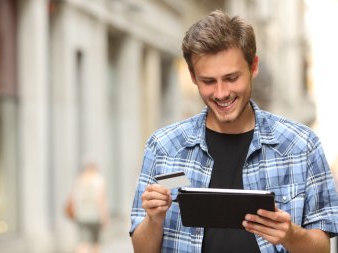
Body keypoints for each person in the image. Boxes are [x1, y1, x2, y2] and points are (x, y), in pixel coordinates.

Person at [129, 9, 338, 253]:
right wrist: (154, 220)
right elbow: (141, 249)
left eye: (231, 78)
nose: (221, 93)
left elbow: (322, 248)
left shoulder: (302, 146)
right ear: (193, 77)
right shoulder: (164, 147)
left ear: (254, 67)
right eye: (208, 81)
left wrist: (290, 235)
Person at [68, 159, 109, 253]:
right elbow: (101, 199)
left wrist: (75, 212)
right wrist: (105, 216)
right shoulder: (99, 179)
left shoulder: (80, 179)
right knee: (96, 243)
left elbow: (73, 198)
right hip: (95, 215)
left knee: (82, 242)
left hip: (81, 215)